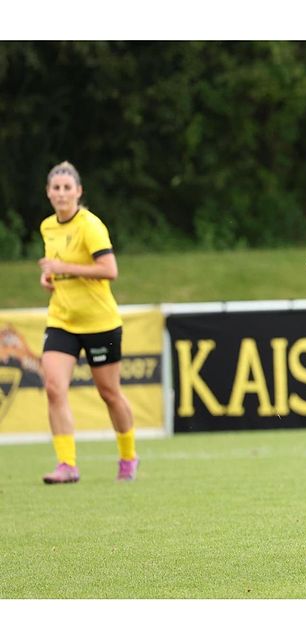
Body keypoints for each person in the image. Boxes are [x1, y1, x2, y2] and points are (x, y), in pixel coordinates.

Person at [38, 161, 138, 484]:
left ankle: (128, 456)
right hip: (62, 320)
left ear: (79, 192)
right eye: (57, 188)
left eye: (68, 188)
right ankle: (67, 464)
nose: (62, 193)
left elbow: (109, 270)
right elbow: (58, 267)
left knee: (109, 393)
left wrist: (62, 265)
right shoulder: (47, 227)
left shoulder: (90, 226)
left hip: (99, 322)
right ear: (49, 193)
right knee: (54, 388)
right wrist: (49, 275)